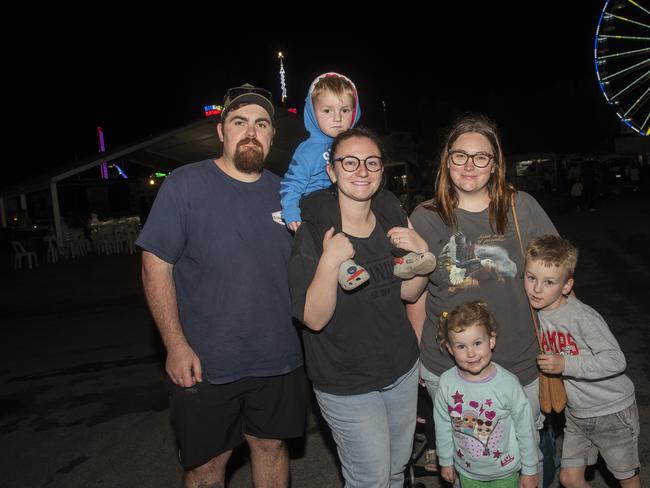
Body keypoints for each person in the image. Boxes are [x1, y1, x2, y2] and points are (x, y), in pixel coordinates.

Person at [136, 83, 307, 488]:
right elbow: (154, 264)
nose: (251, 131)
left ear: (271, 135)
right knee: (207, 468)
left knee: (271, 449)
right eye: (240, 121)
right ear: (221, 132)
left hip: (279, 359)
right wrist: (174, 344)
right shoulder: (185, 184)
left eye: (262, 124)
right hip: (206, 365)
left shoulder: (287, 194)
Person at [408, 113, 558, 481]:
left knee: (527, 463)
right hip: (449, 368)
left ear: (495, 164)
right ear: (447, 160)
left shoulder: (521, 208)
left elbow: (555, 277)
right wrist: (417, 364)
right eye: (460, 155)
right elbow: (416, 298)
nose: (470, 165)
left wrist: (565, 340)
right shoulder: (425, 217)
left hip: (519, 363)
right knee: (468, 466)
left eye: (481, 157)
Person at [289, 127, 429, 487]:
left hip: (400, 369)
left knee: (396, 471)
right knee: (370, 479)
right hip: (346, 381)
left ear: (382, 170)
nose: (361, 170)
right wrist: (330, 261)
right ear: (332, 171)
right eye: (349, 162)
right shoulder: (313, 233)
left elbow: (410, 293)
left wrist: (421, 255)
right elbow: (314, 319)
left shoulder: (391, 217)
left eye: (371, 162)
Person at [281, 72, 435, 291]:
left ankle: (403, 256)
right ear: (312, 113)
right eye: (327, 111)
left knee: (385, 198)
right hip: (317, 200)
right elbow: (291, 183)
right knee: (324, 207)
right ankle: (344, 264)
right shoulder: (307, 150)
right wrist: (290, 210)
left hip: (348, 199)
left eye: (345, 110)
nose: (337, 118)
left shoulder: (358, 143)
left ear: (354, 112)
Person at [525, 235, 641, 488]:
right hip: (577, 413)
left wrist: (567, 364)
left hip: (611, 409)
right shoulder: (535, 314)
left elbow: (615, 360)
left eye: (549, 282)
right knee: (569, 478)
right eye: (531, 278)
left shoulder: (581, 316)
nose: (536, 289)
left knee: (627, 478)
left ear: (566, 286)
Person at [433, 301, 539, 488]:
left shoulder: (508, 383)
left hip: (505, 470)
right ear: (450, 348)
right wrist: (445, 460)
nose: (471, 353)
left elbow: (525, 428)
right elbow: (442, 424)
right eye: (461, 346)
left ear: (491, 340)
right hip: (467, 472)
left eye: (477, 343)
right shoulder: (446, 383)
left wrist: (530, 469)